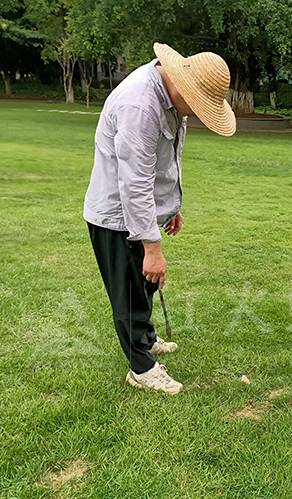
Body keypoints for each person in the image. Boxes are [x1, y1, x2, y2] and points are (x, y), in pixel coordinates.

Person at [83, 43, 236, 394]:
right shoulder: (139, 105)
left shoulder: (170, 100)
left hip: (141, 212)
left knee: (145, 285)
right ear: (183, 87)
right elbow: (134, 182)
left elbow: (164, 161)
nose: (196, 115)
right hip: (117, 217)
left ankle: (147, 339)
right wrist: (152, 248)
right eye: (197, 107)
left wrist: (169, 207)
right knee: (129, 294)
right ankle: (141, 369)